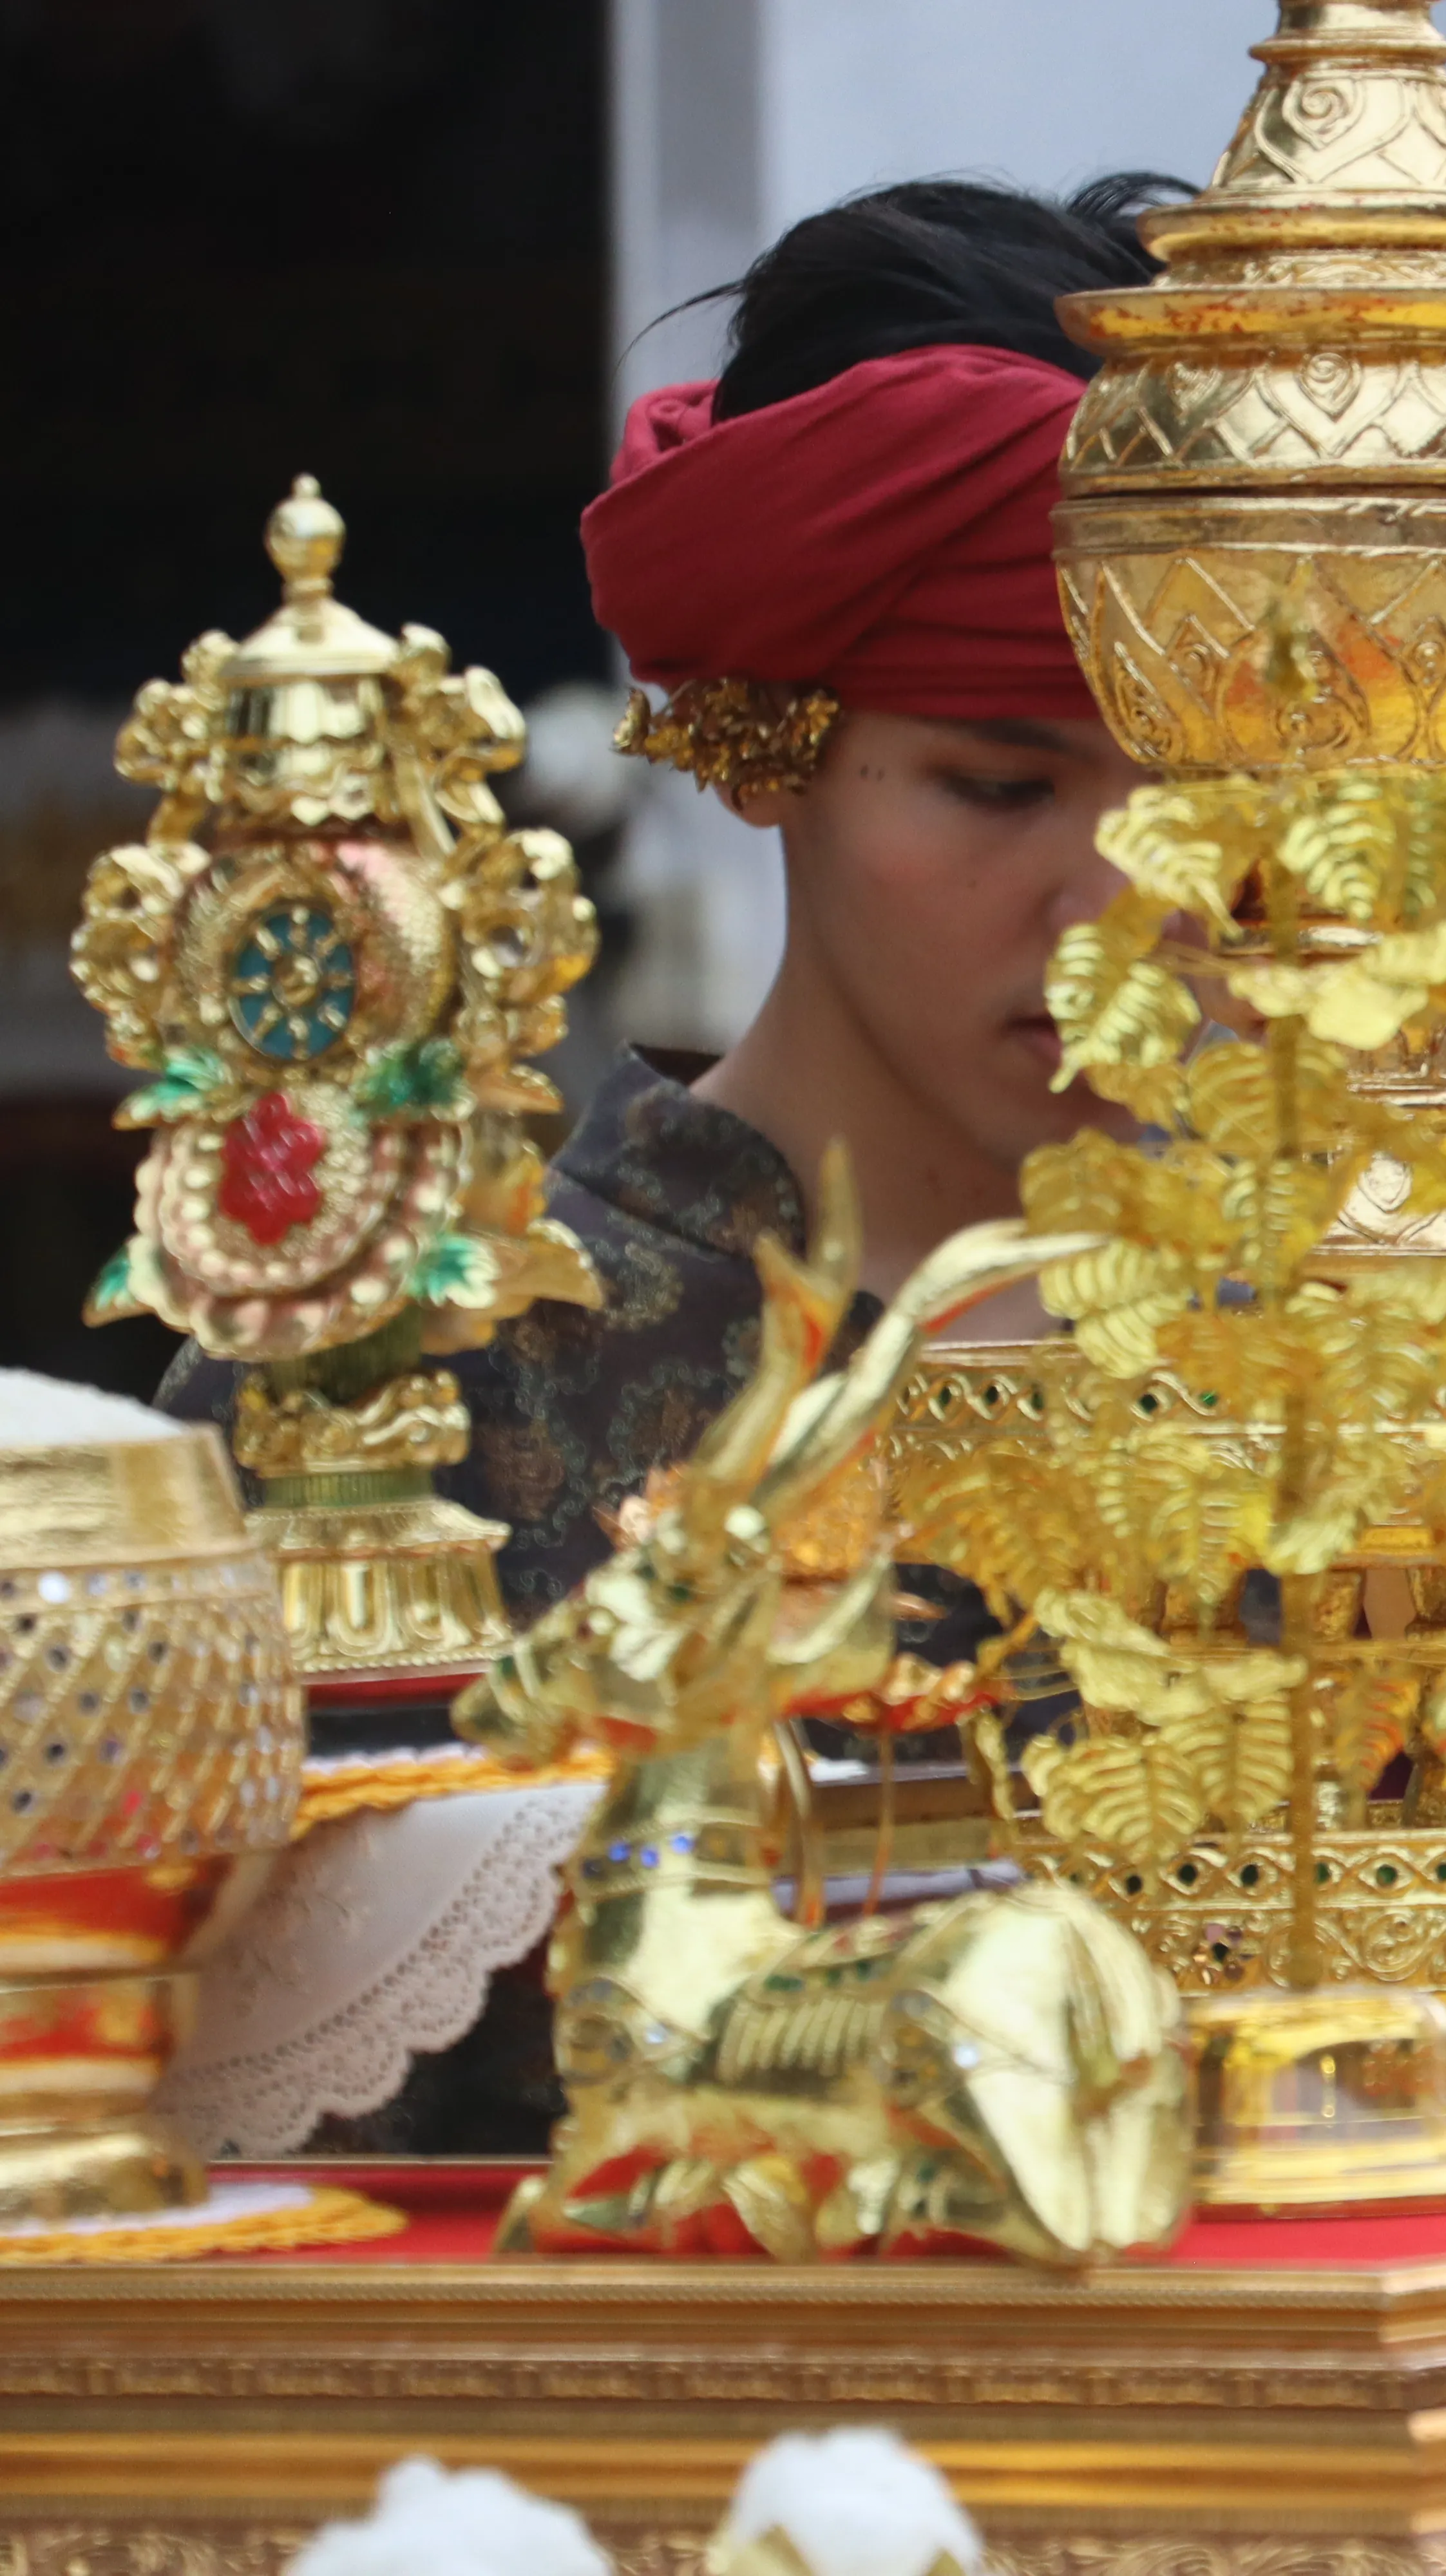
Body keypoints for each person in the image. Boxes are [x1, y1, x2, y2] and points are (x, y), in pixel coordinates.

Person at [165, 175, 1177, 1619]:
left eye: (1205, 804)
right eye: (1004, 790)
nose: (1121, 918)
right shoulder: (397, 1387)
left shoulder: (1356, 1374)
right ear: (766, 748)